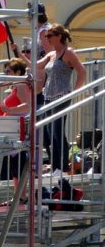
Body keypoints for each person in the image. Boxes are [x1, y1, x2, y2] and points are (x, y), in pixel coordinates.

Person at [37, 23, 86, 179]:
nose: (47, 39)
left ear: (59, 36)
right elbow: (36, 65)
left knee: (58, 132)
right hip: (49, 97)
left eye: (49, 36)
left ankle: (62, 167)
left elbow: (82, 71)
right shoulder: (52, 55)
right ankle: (56, 166)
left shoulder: (68, 52)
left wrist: (74, 92)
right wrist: (19, 52)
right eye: (46, 36)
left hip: (61, 96)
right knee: (49, 134)